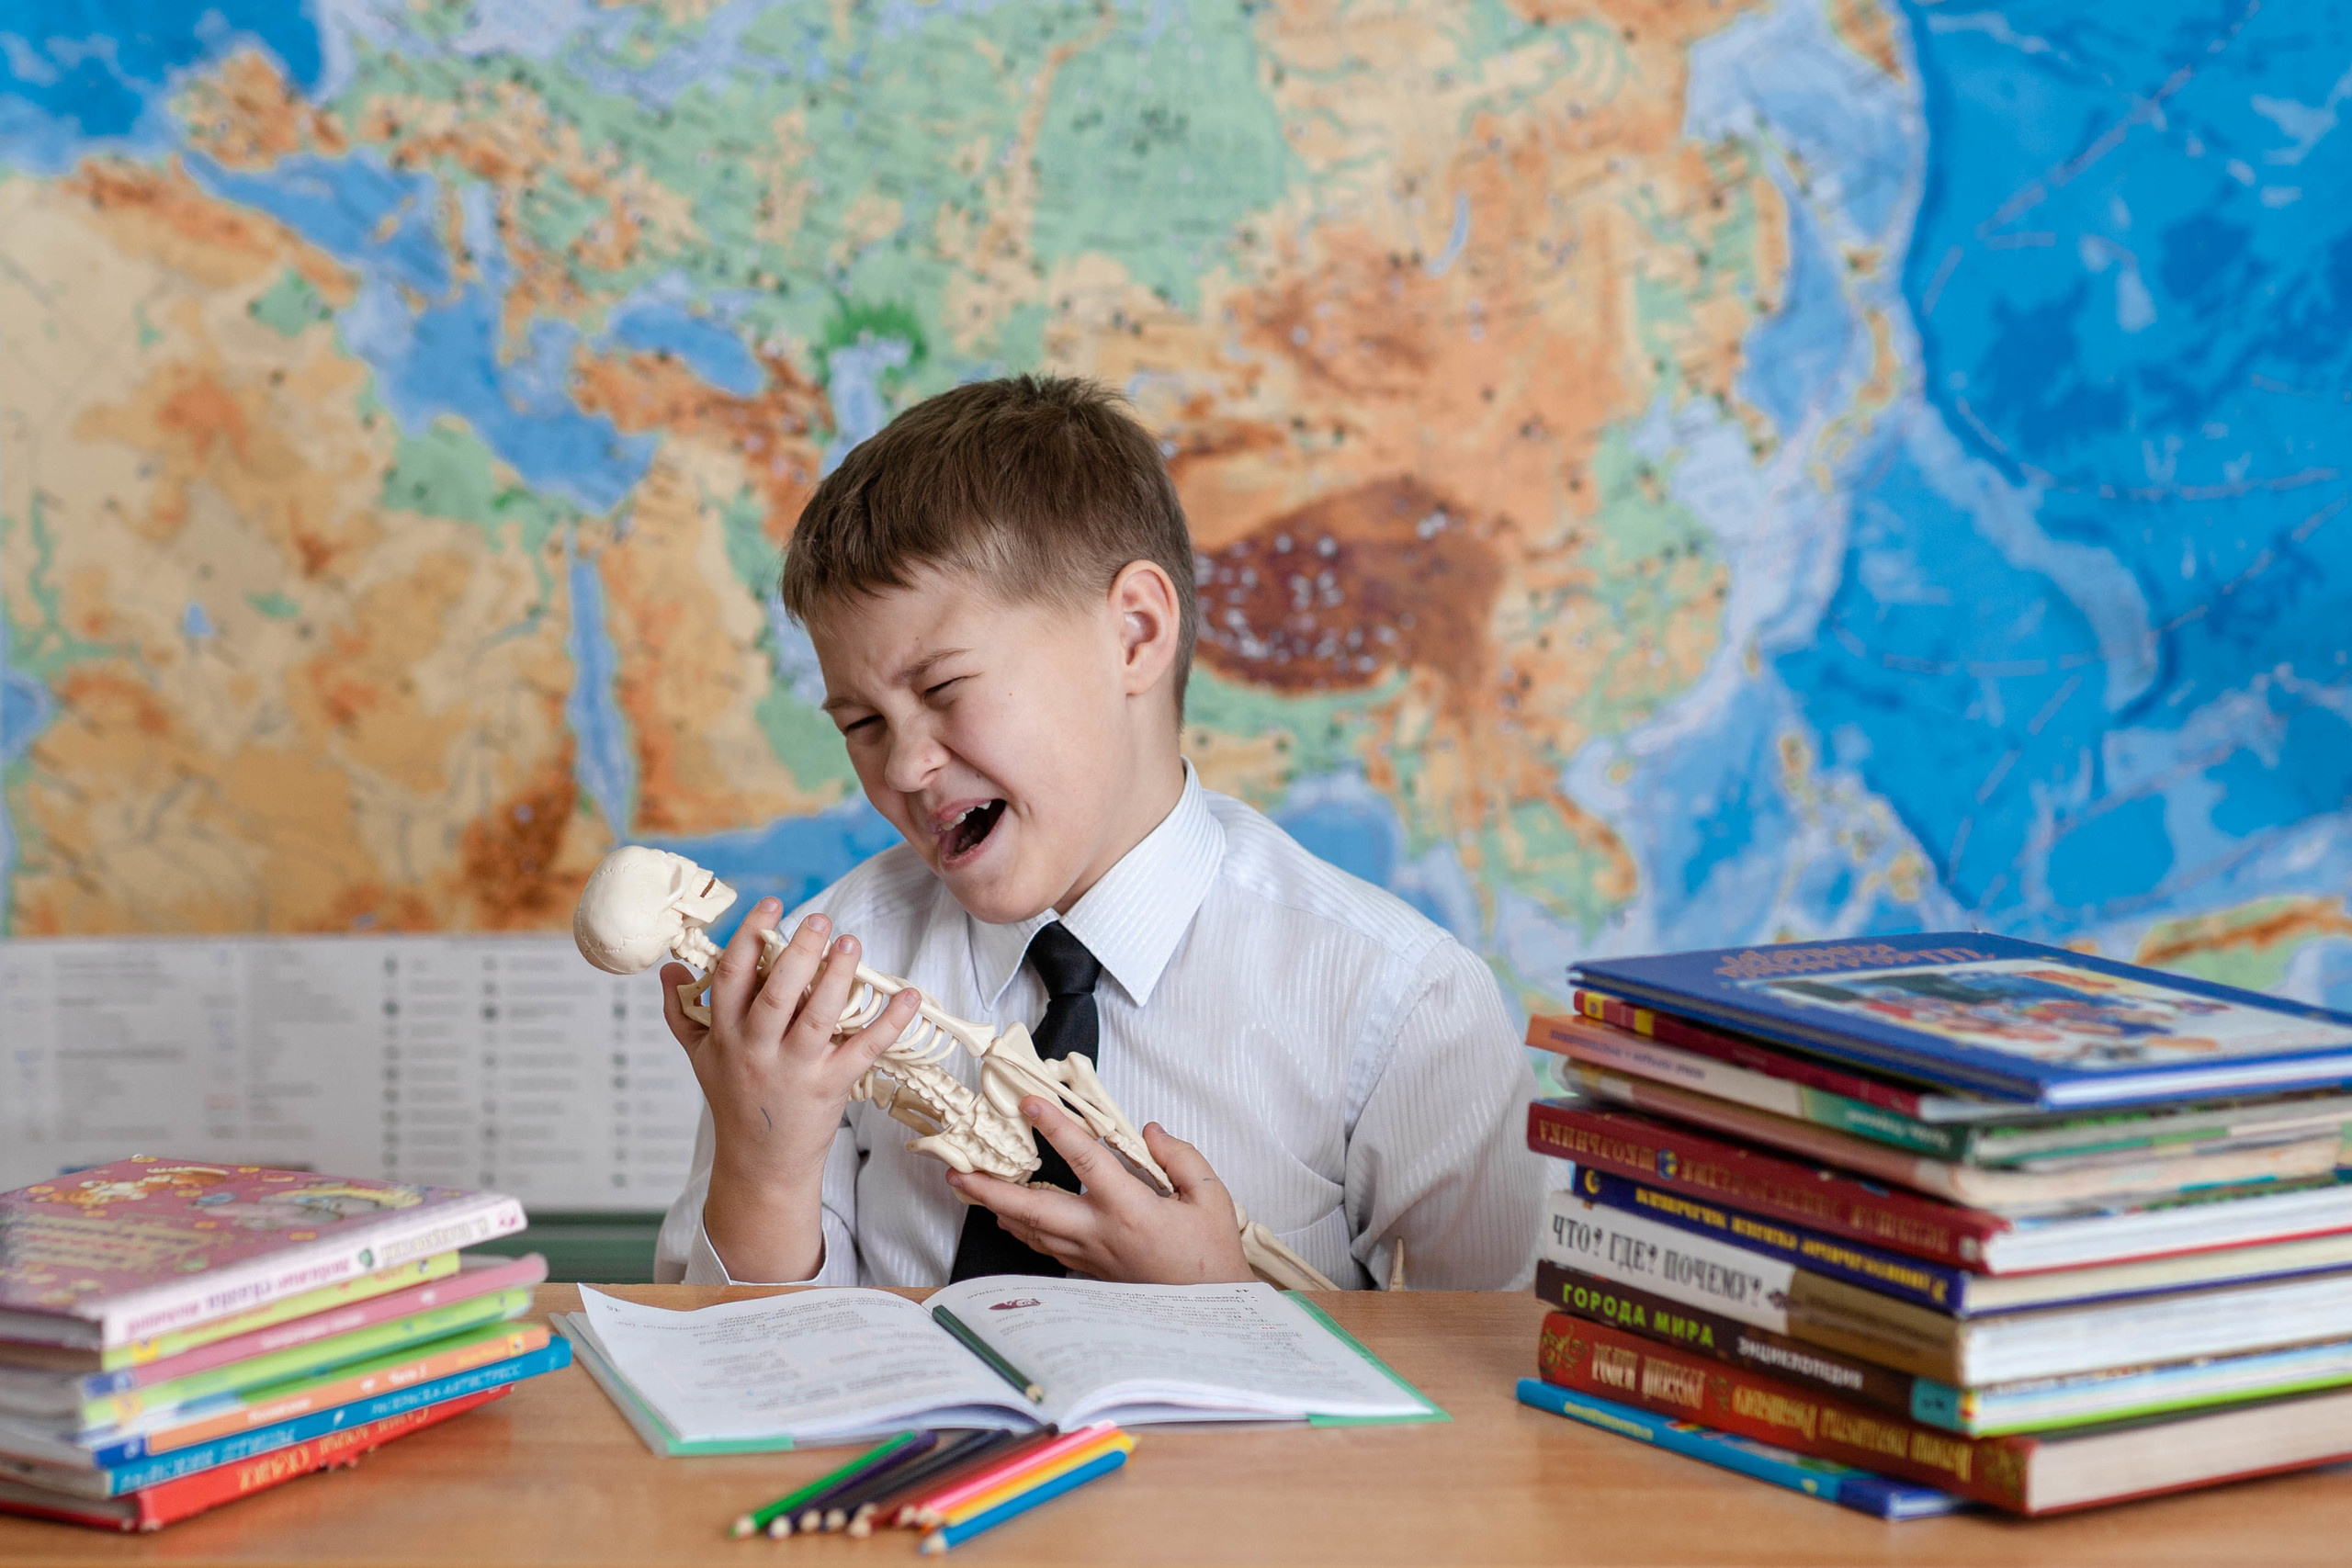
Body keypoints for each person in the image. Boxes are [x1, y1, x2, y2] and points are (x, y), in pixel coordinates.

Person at [652, 375, 1543, 1289]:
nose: (904, 767)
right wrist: (766, 1169)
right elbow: (733, 1374)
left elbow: (1494, 1391)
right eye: (862, 725)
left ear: (1135, 634)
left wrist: (1225, 1307)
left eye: (945, 689)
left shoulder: (1399, 1006)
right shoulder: (832, 973)